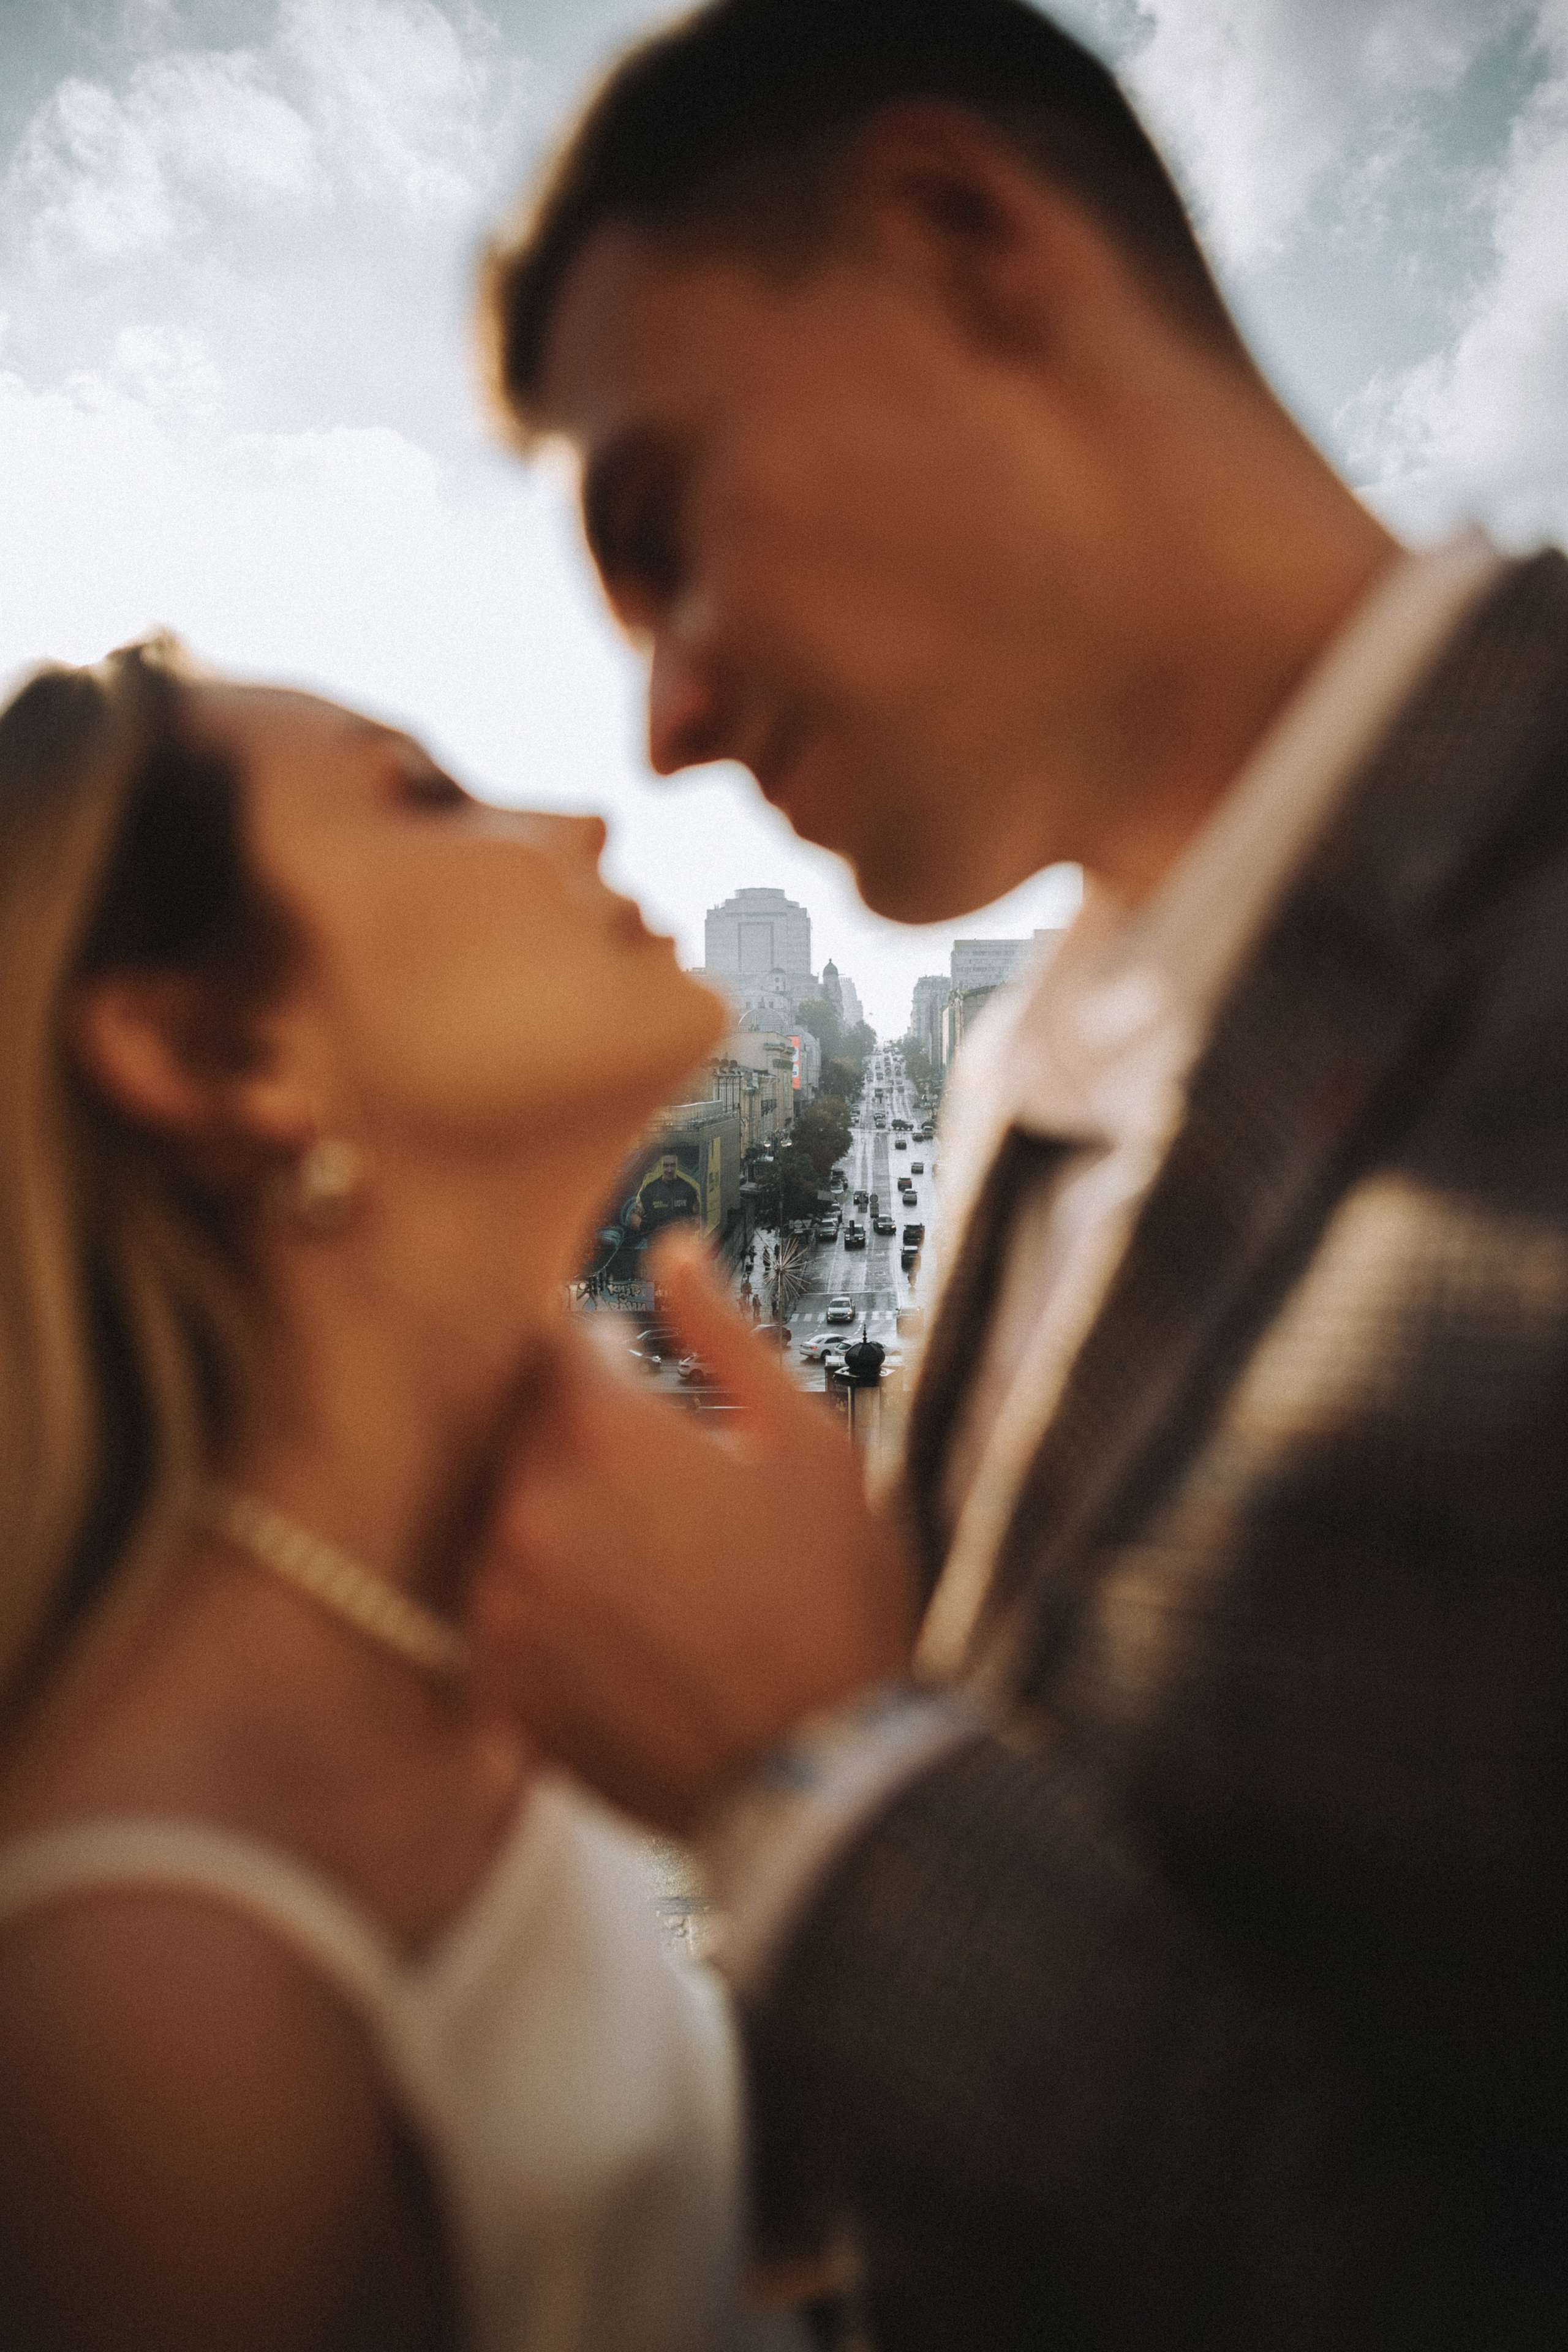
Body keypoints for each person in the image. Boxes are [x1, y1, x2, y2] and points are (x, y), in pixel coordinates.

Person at [471, 1, 1568, 2345]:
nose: (655, 721)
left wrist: (821, 1801)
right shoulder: (1002, 1100)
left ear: (962, 235)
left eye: (659, 532)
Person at [0, 636, 806, 2352]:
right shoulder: (165, 2009)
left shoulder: (512, 1639)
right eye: (427, 796)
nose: (586, 824)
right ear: (216, 1054)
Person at [627, 1148, 703, 1239]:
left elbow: (700, 1215)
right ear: (661, 1166)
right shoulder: (651, 1190)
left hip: (681, 1246)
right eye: (666, 1166)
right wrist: (649, 1229)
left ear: (677, 1166)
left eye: (673, 1165)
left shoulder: (687, 1189)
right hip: (657, 1247)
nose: (670, 1170)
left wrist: (689, 1228)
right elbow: (633, 1217)